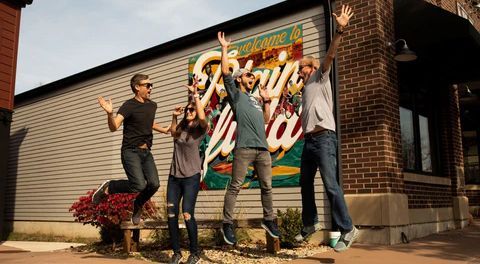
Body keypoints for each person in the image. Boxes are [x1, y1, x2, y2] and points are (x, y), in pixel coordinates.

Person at [294, 5, 358, 252]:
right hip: (309, 142)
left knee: (330, 184)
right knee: (304, 181)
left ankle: (348, 228)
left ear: (312, 68)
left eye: (303, 68)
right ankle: (310, 223)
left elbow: (330, 55)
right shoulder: (305, 90)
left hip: (324, 139)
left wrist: (340, 31)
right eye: (299, 69)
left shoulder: (320, 76)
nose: (300, 72)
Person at [217, 31, 280, 245]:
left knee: (267, 186)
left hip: (262, 149)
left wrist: (267, 101)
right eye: (247, 75)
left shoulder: (254, 100)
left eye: (252, 76)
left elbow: (265, 119)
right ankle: (227, 223)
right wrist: (224, 48)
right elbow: (225, 71)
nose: (251, 78)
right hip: (244, 148)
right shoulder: (236, 95)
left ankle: (269, 220)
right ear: (238, 79)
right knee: (235, 185)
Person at [94, 73, 170, 225]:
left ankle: (138, 204)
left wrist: (164, 129)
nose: (151, 88)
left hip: (146, 152)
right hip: (130, 151)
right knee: (139, 185)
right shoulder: (128, 105)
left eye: (151, 85)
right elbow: (114, 126)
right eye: (147, 85)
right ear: (137, 87)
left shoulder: (152, 105)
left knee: (154, 184)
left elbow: (147, 122)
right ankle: (110, 186)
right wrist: (110, 114)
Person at [167, 76, 208, 264]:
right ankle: (176, 252)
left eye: (191, 109)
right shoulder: (181, 129)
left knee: (187, 213)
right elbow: (172, 132)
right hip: (174, 178)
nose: (189, 111)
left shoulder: (199, 130)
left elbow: (201, 117)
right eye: (187, 109)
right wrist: (175, 116)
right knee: (171, 214)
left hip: (191, 176)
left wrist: (196, 96)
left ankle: (195, 253)